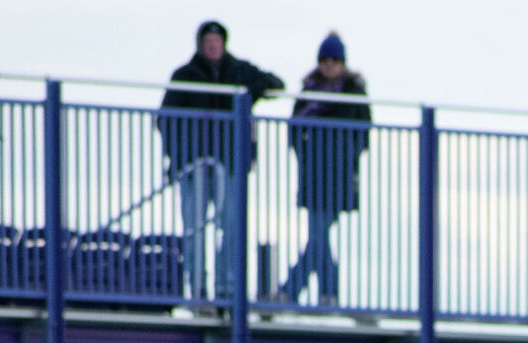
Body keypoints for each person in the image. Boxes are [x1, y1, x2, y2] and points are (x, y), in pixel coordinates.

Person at [158, 20, 284, 299]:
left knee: (231, 227)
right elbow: (165, 119)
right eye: (208, 42)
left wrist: (252, 89)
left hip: (228, 164)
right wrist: (179, 157)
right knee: (195, 229)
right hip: (194, 166)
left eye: (217, 41)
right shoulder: (185, 75)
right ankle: (198, 289)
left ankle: (227, 287)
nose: (213, 46)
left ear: (224, 44)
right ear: (201, 45)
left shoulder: (238, 71)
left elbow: (276, 83)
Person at [280, 32, 371, 307]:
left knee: (318, 234)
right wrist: (307, 154)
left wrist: (346, 155)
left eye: (334, 59)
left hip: (340, 175)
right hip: (315, 173)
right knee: (319, 235)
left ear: (342, 62)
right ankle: (326, 294)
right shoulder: (308, 90)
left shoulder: (354, 92)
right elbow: (294, 129)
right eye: (324, 59)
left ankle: (292, 290)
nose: (329, 64)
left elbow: (363, 134)